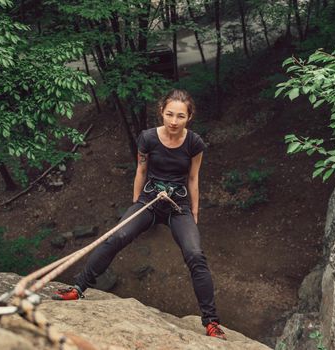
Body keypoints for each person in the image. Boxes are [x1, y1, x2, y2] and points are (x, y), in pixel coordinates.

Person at [53, 89, 226, 340]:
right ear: (161, 112)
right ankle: (79, 287)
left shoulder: (194, 143)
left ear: (189, 117)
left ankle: (211, 322)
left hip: (178, 207)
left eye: (180, 116)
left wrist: (194, 213)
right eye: (169, 114)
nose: (173, 121)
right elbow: (140, 170)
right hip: (149, 201)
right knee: (117, 236)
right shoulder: (147, 138)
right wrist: (136, 206)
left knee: (195, 255)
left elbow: (193, 178)